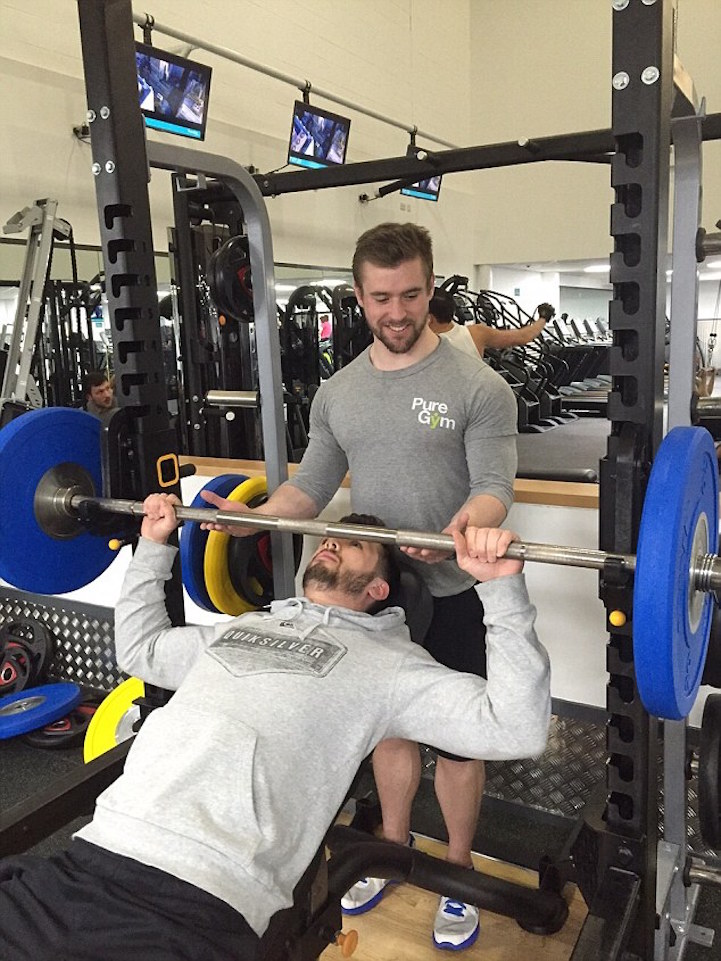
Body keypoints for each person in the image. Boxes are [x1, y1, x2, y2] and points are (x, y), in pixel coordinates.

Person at [0, 496, 551, 961]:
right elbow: (141, 650)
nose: (330, 543)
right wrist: (153, 544)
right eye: (329, 538)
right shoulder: (241, 627)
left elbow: (515, 728)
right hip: (86, 855)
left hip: (195, 901)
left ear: (379, 589)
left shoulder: (392, 666)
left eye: (352, 544)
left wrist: (501, 590)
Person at [200, 222, 519, 949]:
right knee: (388, 728)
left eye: (409, 295)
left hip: (453, 588)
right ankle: (391, 851)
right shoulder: (339, 391)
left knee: (458, 741)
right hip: (375, 594)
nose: (396, 312)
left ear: (430, 288)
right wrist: (256, 520)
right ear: (358, 295)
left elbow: (494, 488)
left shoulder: (478, 386)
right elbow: (309, 488)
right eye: (381, 298)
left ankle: (458, 870)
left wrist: (462, 525)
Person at [427, 290, 554, 360]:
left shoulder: (425, 343)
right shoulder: (477, 333)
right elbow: (523, 336)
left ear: (429, 319)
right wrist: (543, 318)